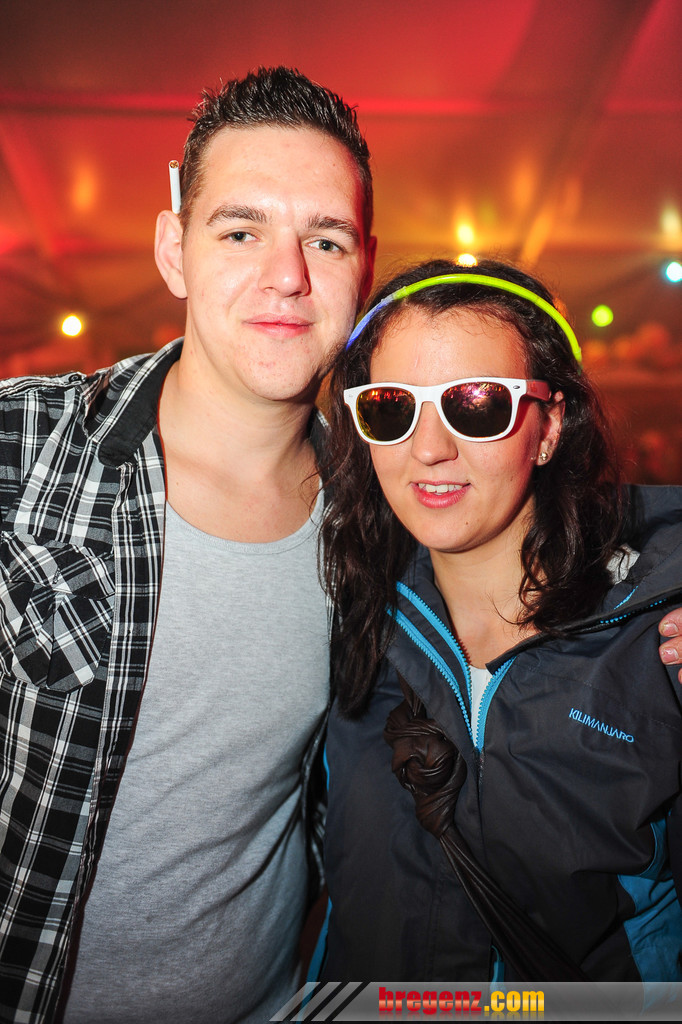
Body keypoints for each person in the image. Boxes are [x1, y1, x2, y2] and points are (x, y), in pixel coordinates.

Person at [0, 67, 375, 1024]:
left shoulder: (381, 517)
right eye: (241, 232)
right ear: (174, 250)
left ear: (363, 270)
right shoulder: (21, 448)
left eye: (324, 239)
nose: (287, 275)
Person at [320, 257, 682, 984]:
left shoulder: (657, 637)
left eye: (477, 404)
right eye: (391, 407)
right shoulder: (341, 611)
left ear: (549, 427)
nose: (429, 449)